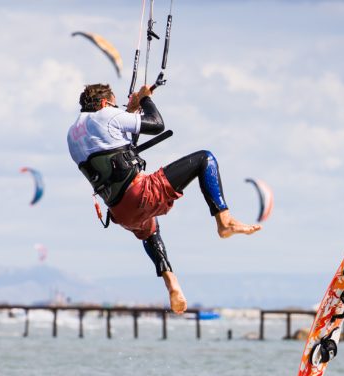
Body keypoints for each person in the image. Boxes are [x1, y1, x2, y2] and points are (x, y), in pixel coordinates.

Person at [66, 83, 260, 313]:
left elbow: (117, 145)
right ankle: (224, 221)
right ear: (104, 103)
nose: (115, 109)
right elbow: (157, 124)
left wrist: (130, 111)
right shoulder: (106, 115)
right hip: (141, 193)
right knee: (205, 159)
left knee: (150, 231)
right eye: (114, 105)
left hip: (121, 212)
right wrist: (145, 99)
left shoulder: (72, 135)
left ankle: (172, 283)